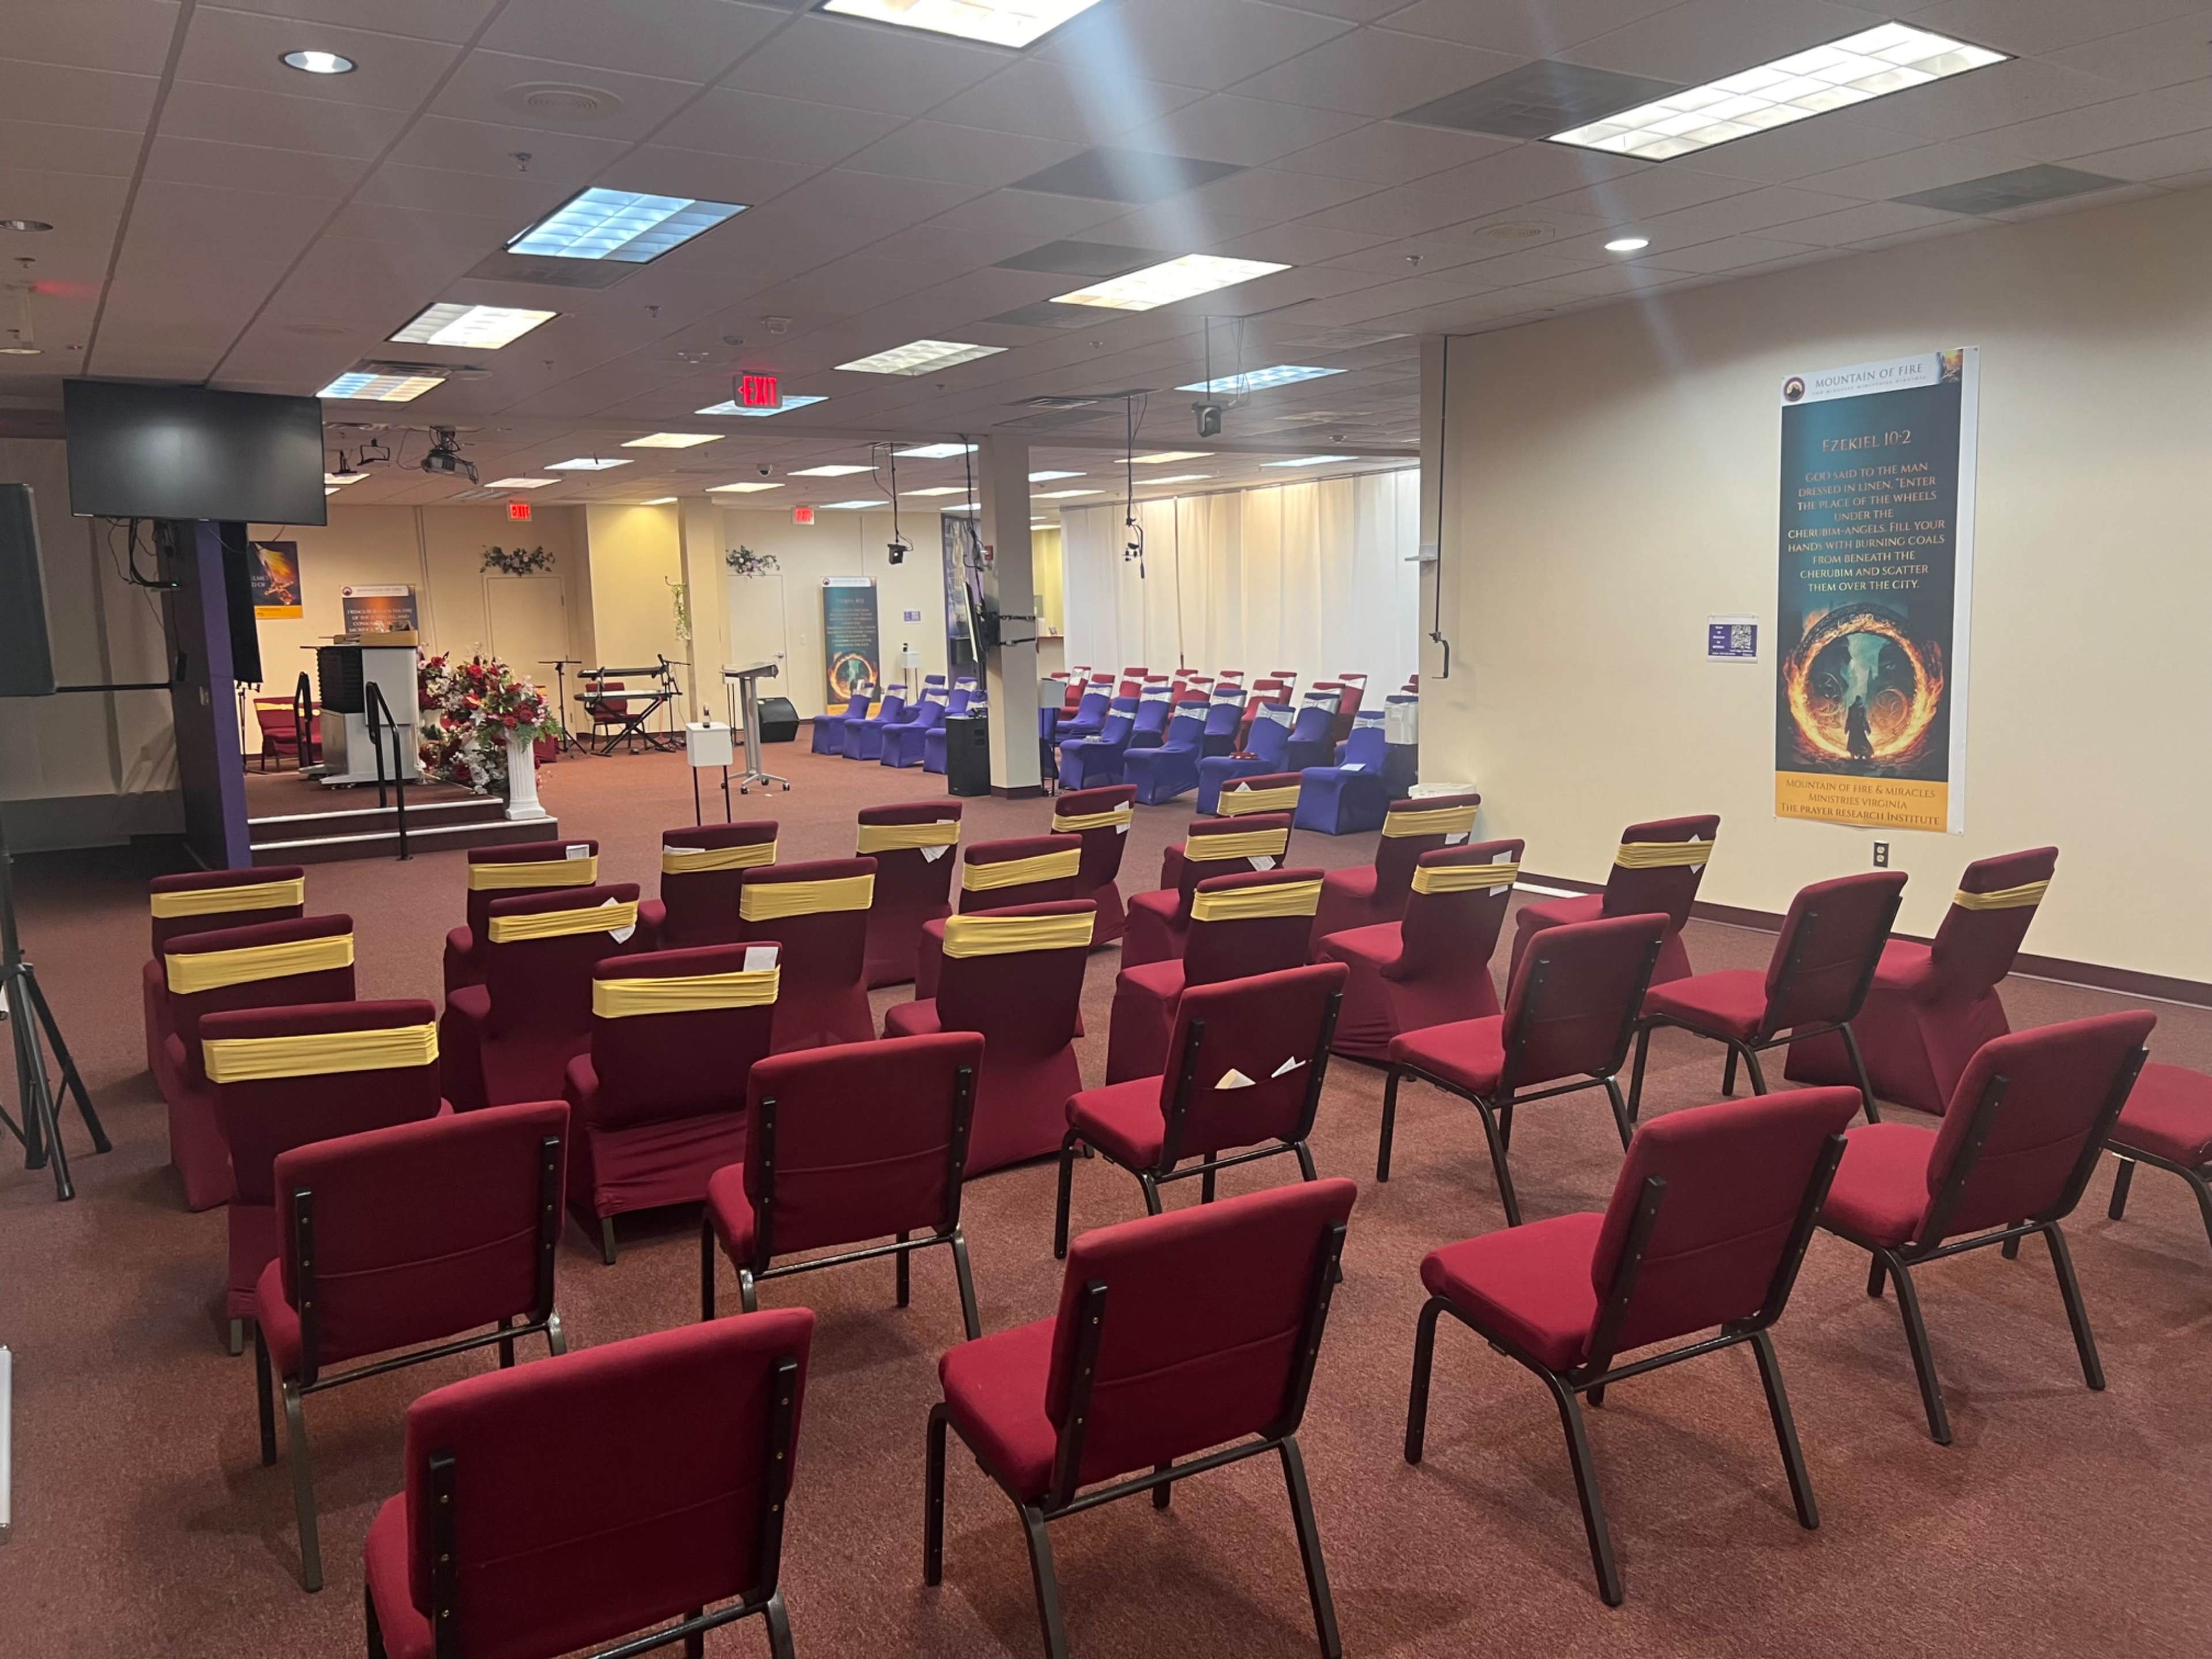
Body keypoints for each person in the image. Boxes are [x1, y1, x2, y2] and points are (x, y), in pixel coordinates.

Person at [1846, 696, 1873, 761]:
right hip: (1855, 728)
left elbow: (1864, 719)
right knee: (1855, 742)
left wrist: (1867, 728)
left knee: (1860, 741)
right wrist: (1847, 728)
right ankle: (1856, 755)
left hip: (1858, 728)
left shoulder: (1861, 709)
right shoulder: (1854, 708)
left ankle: (1861, 755)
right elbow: (1849, 719)